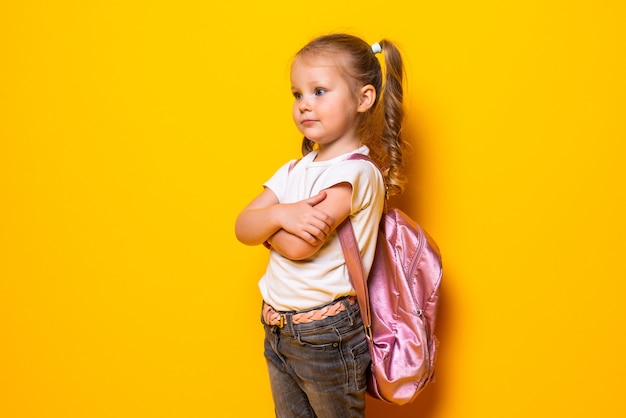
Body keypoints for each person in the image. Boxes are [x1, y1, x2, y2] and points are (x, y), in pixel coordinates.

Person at [235, 33, 408, 418]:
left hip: (326, 336)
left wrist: (269, 223)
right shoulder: (294, 170)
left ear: (364, 99)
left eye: (319, 91)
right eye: (298, 94)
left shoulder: (356, 173)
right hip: (277, 327)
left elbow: (301, 247)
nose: (304, 105)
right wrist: (282, 215)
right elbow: (242, 226)